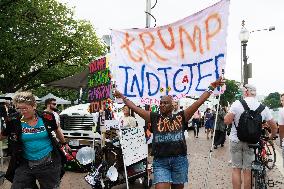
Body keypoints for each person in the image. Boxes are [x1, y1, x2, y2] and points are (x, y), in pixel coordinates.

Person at [113, 78, 224, 189]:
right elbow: (134, 107)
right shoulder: (154, 117)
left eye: (165, 103)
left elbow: (199, 102)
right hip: (161, 162)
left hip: (179, 161)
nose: (162, 105)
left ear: (172, 106)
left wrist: (212, 86)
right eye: (161, 103)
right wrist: (122, 97)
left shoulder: (181, 116)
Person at [0, 91, 70, 188]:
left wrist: (64, 143)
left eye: (25, 108)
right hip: (25, 162)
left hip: (49, 163)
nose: (22, 111)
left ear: (34, 106)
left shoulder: (47, 117)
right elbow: (4, 134)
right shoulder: (14, 120)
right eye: (19, 108)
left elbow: (57, 129)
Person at [224, 84, 277, 189]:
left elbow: (226, 121)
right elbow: (274, 127)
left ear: (246, 92)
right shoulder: (263, 107)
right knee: (247, 170)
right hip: (252, 142)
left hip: (236, 140)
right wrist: (271, 137)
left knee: (236, 169)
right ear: (255, 93)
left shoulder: (237, 104)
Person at [278, 93, 284, 166]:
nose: (282, 102)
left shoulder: (282, 111)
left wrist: (281, 141)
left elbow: (281, 129)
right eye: (282, 100)